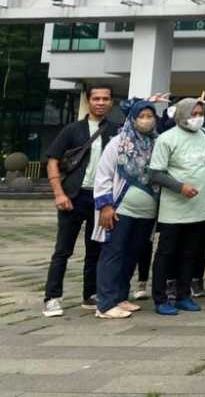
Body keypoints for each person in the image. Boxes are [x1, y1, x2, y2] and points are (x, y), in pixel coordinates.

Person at [43, 84, 119, 317]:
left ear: (111, 102)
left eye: (105, 98)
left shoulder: (116, 130)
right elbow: (53, 161)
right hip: (73, 196)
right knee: (63, 250)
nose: (100, 102)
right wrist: (59, 193)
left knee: (95, 249)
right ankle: (52, 297)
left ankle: (91, 294)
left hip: (100, 199)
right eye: (96, 98)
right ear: (88, 101)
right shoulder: (72, 129)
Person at [149, 98, 205, 316]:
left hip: (200, 205)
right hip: (175, 206)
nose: (198, 118)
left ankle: (183, 295)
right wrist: (180, 187)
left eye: (200, 113)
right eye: (193, 113)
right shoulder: (166, 139)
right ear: (181, 114)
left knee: (191, 252)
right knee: (167, 252)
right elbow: (155, 173)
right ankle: (160, 298)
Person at [91, 99, 160, 319]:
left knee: (132, 254)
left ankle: (120, 296)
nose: (146, 120)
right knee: (114, 253)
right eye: (142, 116)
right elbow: (103, 175)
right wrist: (105, 206)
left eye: (150, 116)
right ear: (133, 118)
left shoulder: (156, 142)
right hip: (120, 209)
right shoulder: (119, 143)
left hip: (146, 212)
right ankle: (105, 303)